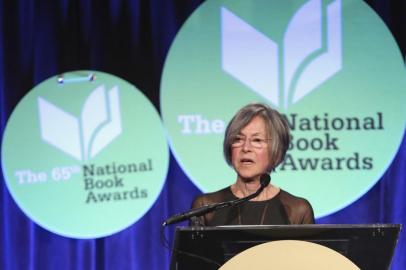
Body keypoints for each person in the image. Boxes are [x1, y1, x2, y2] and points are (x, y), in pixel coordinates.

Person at [190, 103, 315, 226]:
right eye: (238, 139)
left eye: (257, 140)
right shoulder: (206, 207)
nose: (246, 148)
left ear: (276, 150)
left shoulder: (297, 210)